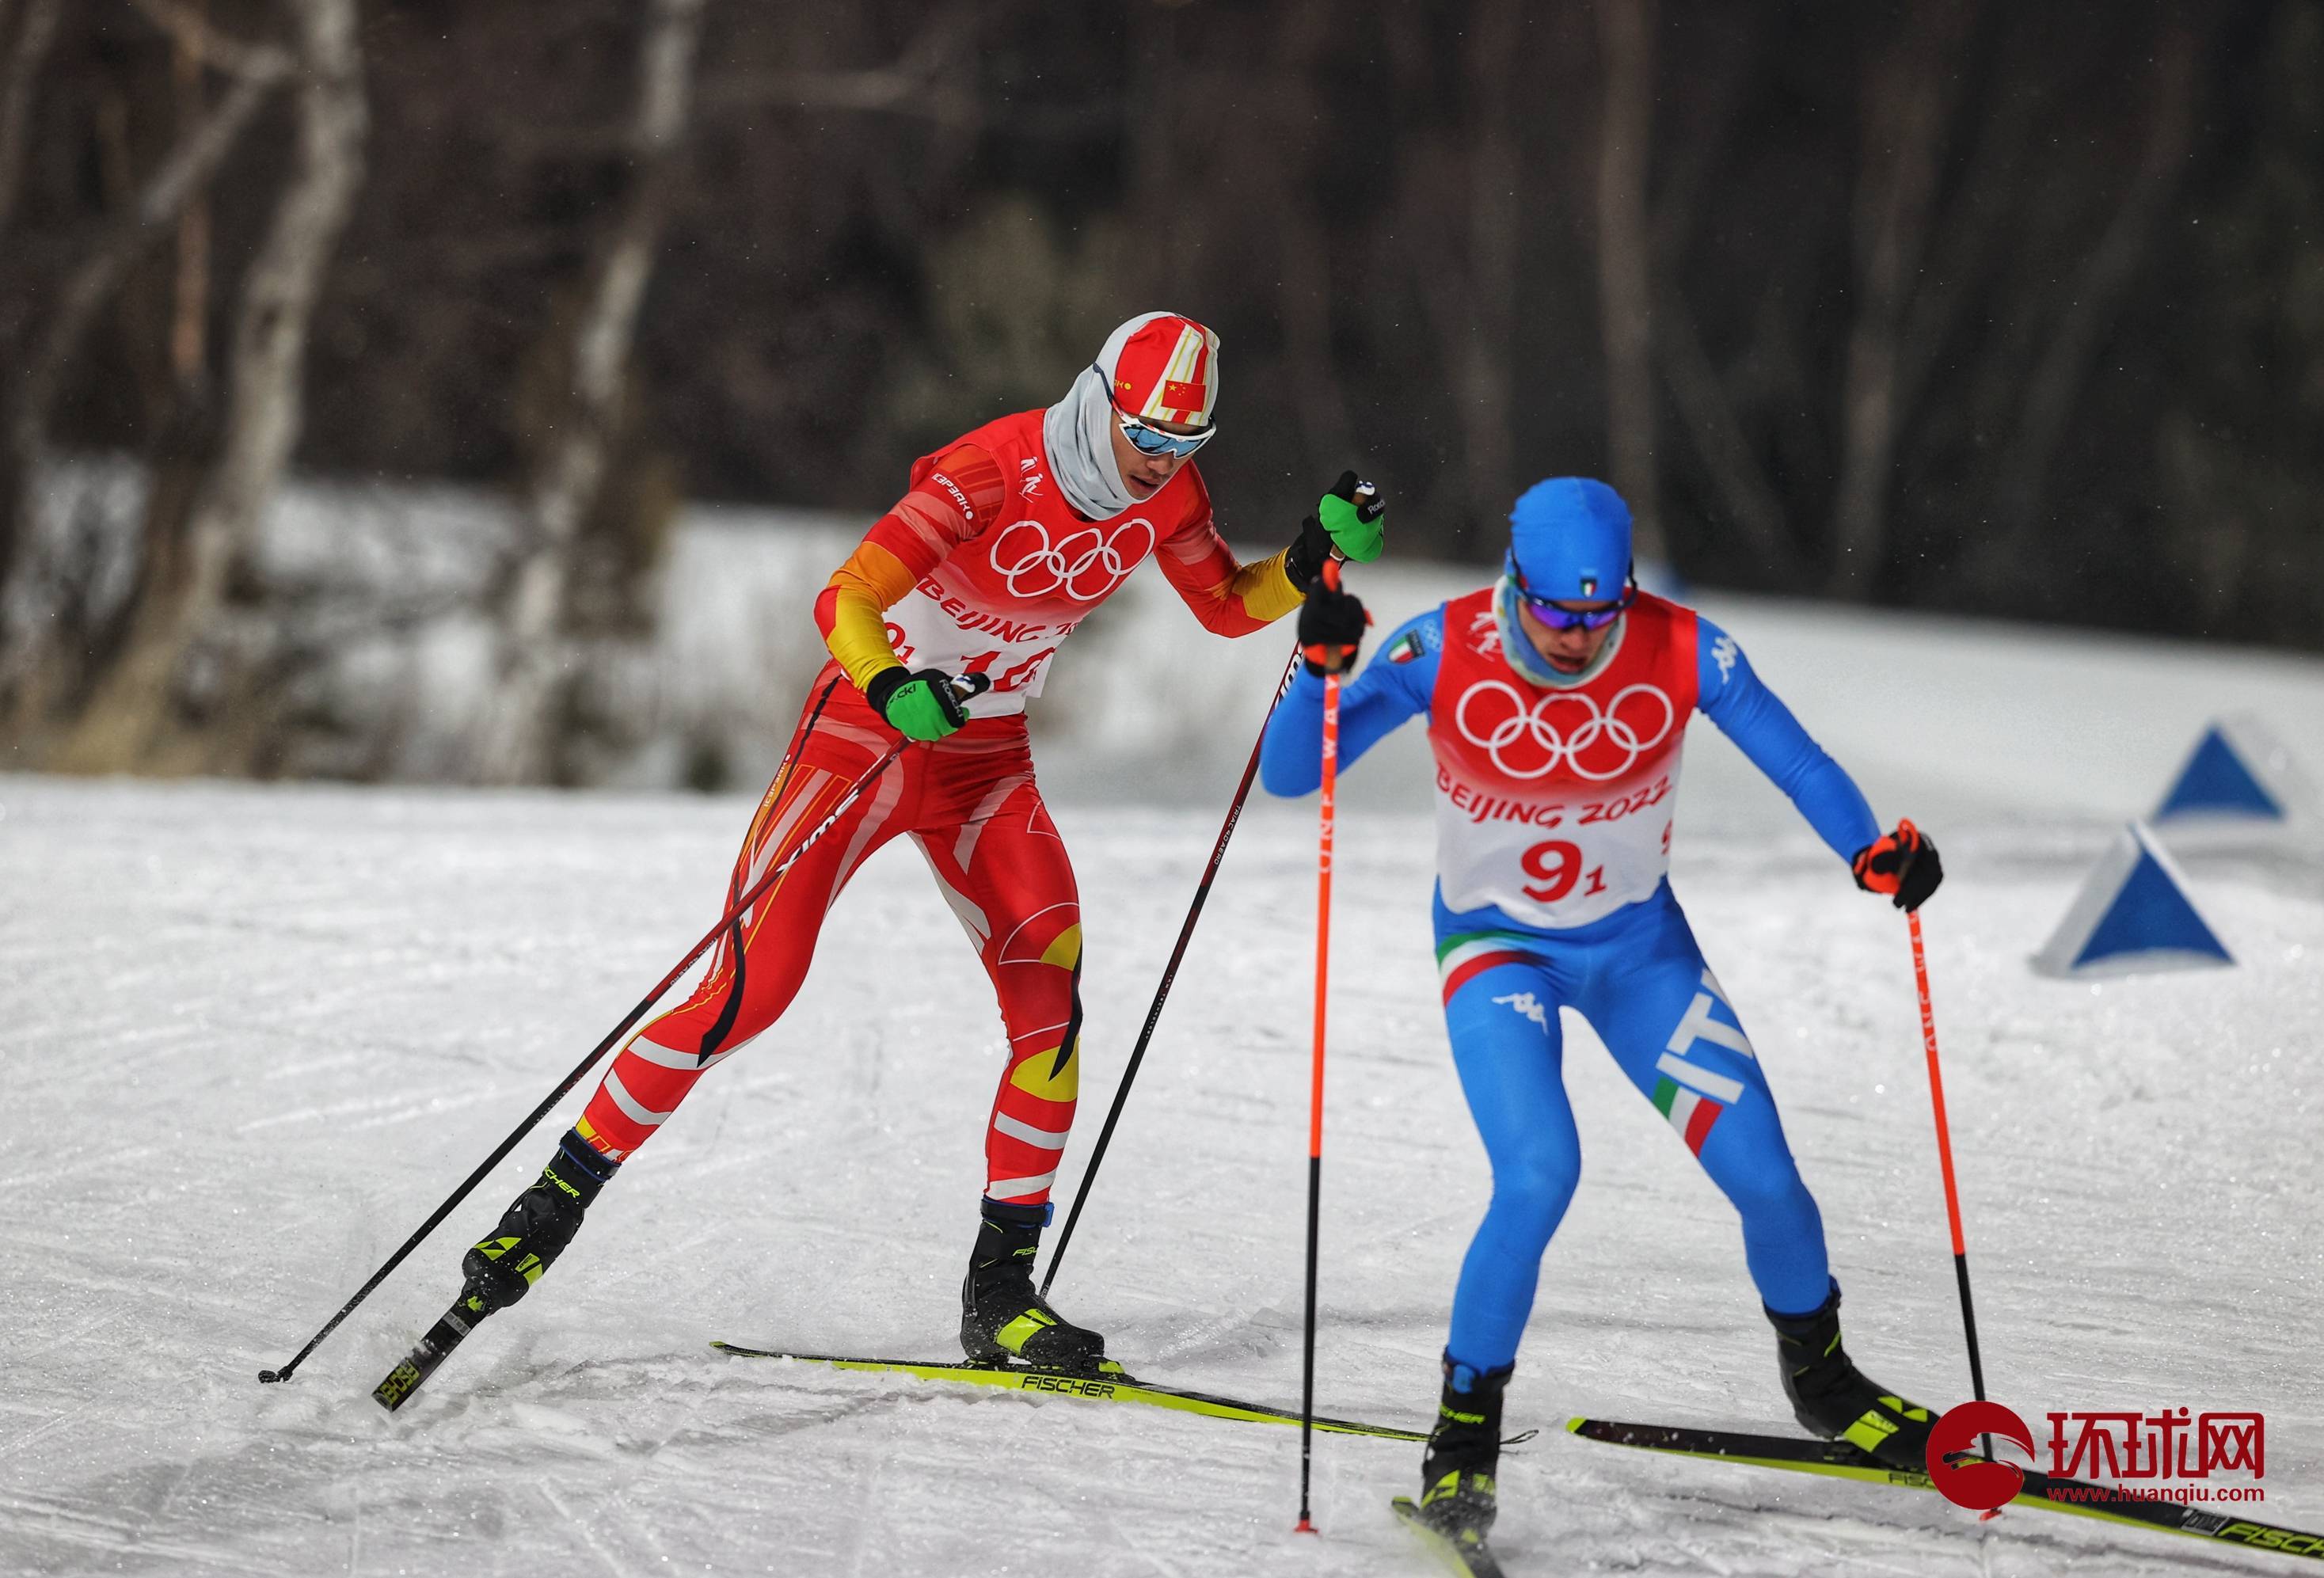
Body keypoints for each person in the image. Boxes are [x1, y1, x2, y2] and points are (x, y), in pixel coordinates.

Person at [452, 312, 1386, 1376]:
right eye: (1145, 439)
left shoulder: (1169, 491)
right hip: (869, 737)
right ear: (1102, 402)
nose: (1158, 465)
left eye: (1184, 447)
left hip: (985, 763)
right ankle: (551, 1203)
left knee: (1053, 1009)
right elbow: (845, 594)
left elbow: (1223, 605)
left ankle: (1000, 1298)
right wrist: (896, 683)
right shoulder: (992, 471)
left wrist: (1306, 561)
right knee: (749, 990)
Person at [1257, 477, 1944, 1546]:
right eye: (1556, 613)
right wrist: (1318, 668)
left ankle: (1826, 1381)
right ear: (1515, 582)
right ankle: (1461, 1445)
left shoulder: (1681, 646)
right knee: (1539, 1172)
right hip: (1499, 950)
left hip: (1637, 951)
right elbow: (1295, 775)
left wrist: (1869, 849)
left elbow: (1796, 759)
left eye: (1599, 614)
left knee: (1768, 1175)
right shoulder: (1439, 649)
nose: (1578, 638)